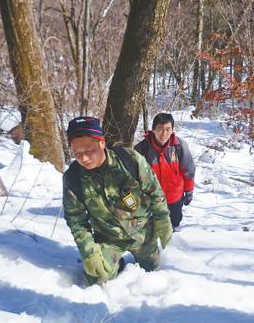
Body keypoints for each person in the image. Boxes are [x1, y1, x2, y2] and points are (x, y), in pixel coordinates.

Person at [62, 116, 172, 286]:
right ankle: (116, 263)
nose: (83, 159)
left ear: (102, 143)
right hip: (108, 238)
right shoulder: (73, 178)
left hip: (143, 233)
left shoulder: (129, 159)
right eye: (77, 153)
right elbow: (77, 221)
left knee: (153, 270)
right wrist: (89, 253)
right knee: (96, 278)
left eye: (89, 151)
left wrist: (163, 221)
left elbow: (154, 192)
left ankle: (145, 257)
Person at [134, 113, 195, 231]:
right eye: (160, 129)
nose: (164, 133)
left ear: (172, 130)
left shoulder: (179, 146)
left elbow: (188, 169)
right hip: (151, 199)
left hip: (175, 197)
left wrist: (189, 190)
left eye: (168, 129)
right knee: (153, 230)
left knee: (174, 225)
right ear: (153, 130)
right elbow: (133, 175)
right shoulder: (142, 149)